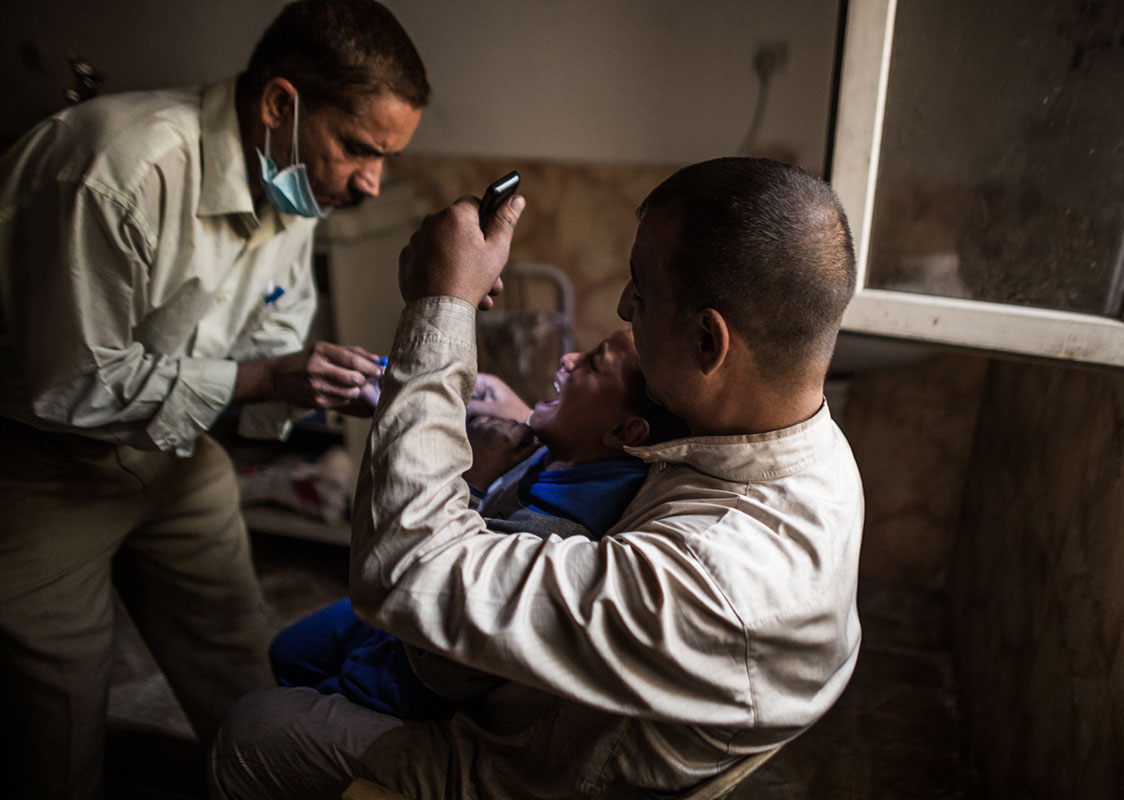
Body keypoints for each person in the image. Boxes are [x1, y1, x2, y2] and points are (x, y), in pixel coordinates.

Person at [211, 157, 864, 800]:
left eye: (642, 289)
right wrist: (517, 414)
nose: (624, 303)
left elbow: (405, 574)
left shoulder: (717, 582)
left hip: (518, 769)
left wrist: (442, 307)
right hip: (541, 705)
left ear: (706, 341)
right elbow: (605, 451)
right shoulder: (811, 451)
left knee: (251, 733)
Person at [0, 1, 429, 797]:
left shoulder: (297, 186)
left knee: (239, 668)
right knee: (55, 718)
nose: (371, 183)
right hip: (37, 467)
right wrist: (267, 379)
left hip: (174, 455)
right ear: (279, 104)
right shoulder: (116, 172)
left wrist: (316, 379)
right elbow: (70, 382)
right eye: (359, 149)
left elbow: (272, 346)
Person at [269, 328, 689, 718]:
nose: (568, 359)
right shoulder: (589, 457)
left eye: (593, 364)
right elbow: (548, 429)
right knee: (286, 652)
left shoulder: (560, 535)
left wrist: (472, 482)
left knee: (279, 711)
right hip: (394, 632)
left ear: (624, 431)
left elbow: (438, 593)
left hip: (418, 667)